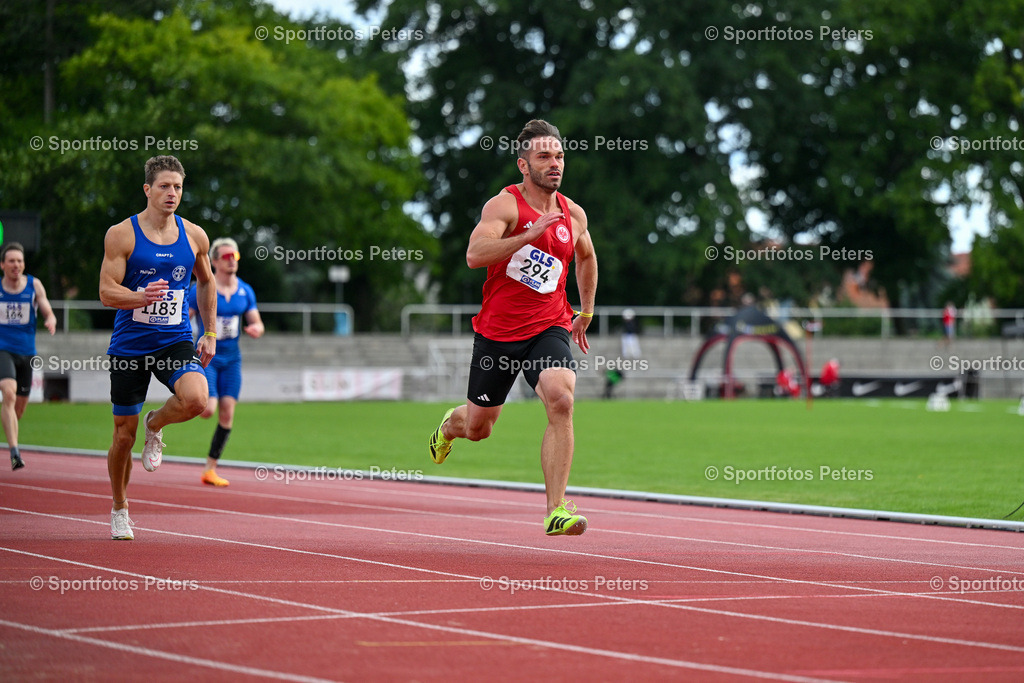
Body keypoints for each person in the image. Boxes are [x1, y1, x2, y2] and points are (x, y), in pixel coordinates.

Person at [428, 119, 598, 536]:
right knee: (479, 427)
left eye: (559, 156)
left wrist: (586, 312)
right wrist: (528, 235)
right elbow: (474, 254)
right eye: (544, 157)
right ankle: (450, 426)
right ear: (524, 165)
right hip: (498, 334)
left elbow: (587, 258)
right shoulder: (502, 206)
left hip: (549, 326)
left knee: (561, 399)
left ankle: (556, 509)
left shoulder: (572, 213)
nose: (554, 164)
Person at [99, 155, 217, 540]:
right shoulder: (122, 234)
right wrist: (139, 296)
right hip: (131, 347)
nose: (172, 194)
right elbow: (105, 292)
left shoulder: (195, 235)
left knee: (198, 400)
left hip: (175, 341)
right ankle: (120, 507)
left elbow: (207, 282)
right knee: (122, 436)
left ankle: (157, 423)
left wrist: (210, 331)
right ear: (147, 189)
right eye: (164, 186)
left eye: (178, 187)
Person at [188, 237, 264, 487]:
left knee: (227, 413)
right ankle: (165, 417)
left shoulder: (245, 290)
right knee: (207, 409)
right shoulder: (200, 287)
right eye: (227, 257)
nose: (232, 262)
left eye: (236, 257)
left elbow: (257, 321)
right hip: (208, 355)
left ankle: (210, 469)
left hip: (232, 359)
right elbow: (183, 317)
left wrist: (256, 329)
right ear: (214, 261)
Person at [0, 243, 57, 470]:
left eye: (20, 261)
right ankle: (14, 452)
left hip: (26, 352)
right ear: (3, 265)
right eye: (12, 261)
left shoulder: (34, 285)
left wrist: (50, 318)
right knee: (8, 393)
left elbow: (46, 308)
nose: (16, 265)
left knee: (18, 408)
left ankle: (9, 429)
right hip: (3, 349)